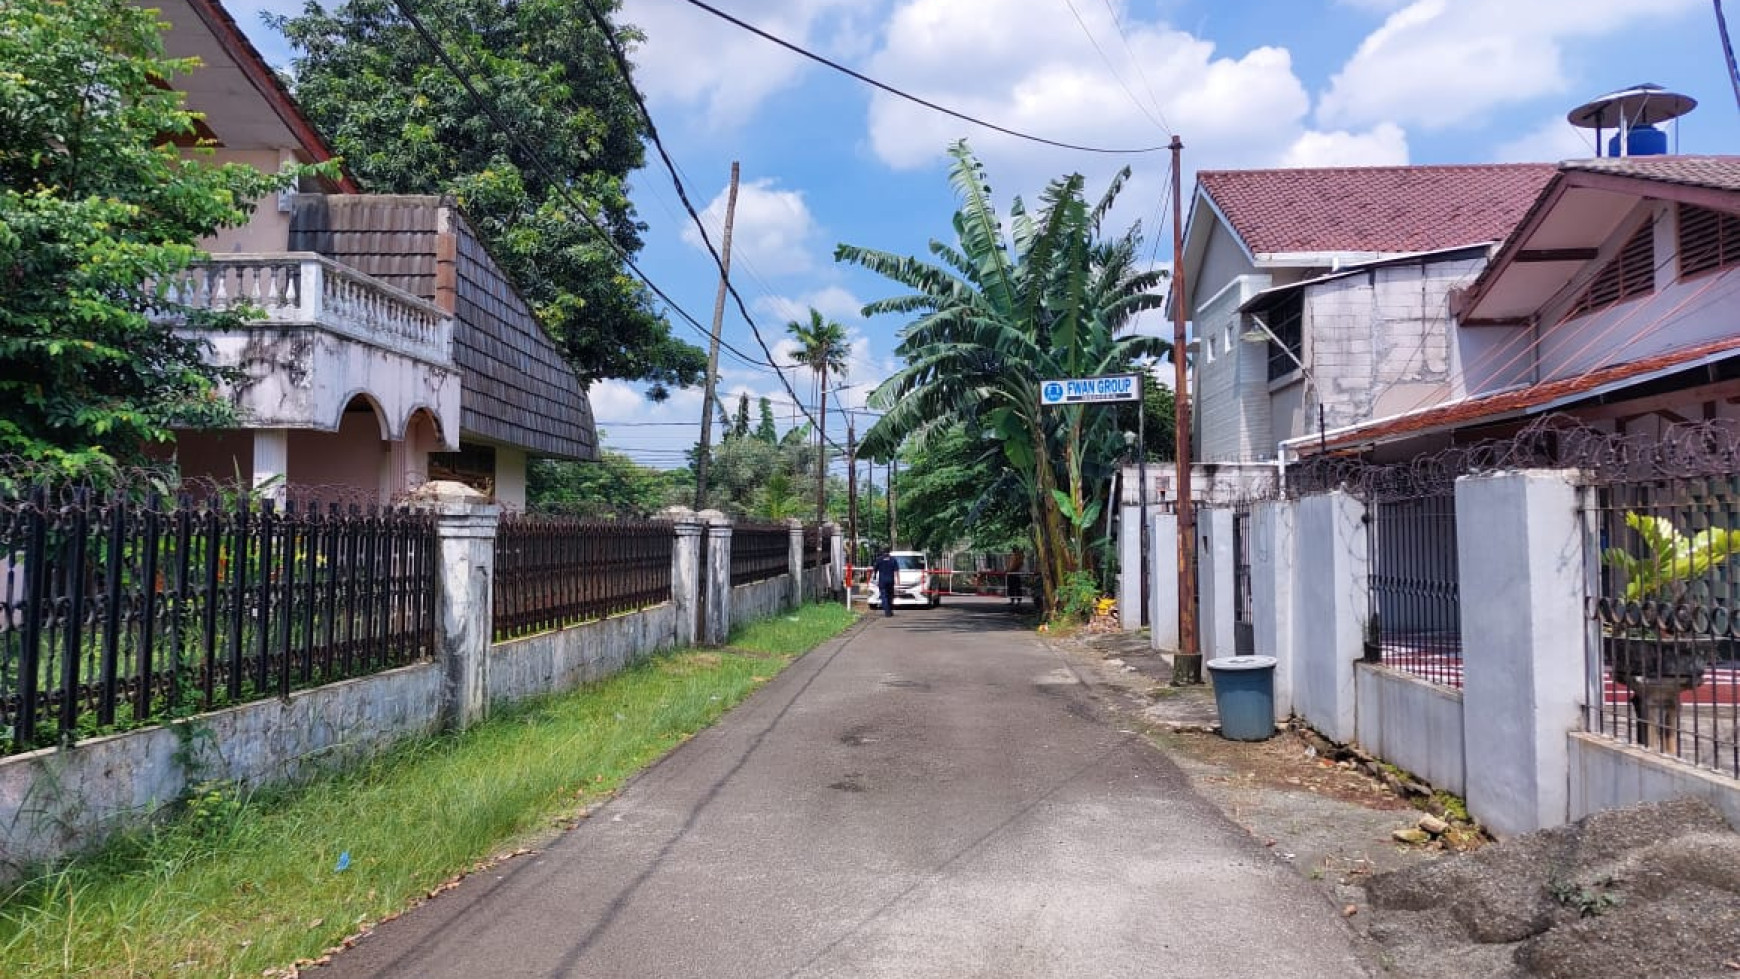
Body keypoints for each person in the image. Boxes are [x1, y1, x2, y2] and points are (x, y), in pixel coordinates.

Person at [872, 548, 899, 617]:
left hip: (882, 581)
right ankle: (890, 610)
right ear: (889, 552)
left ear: (883, 551)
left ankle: (887, 611)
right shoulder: (893, 559)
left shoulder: (879, 559)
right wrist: (898, 580)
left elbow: (875, 570)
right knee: (890, 596)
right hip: (891, 580)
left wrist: (874, 577)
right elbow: (896, 571)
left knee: (884, 596)